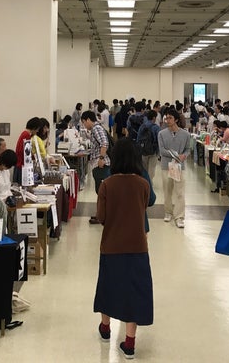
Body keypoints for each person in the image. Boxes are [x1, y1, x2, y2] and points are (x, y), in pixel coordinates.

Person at [93, 138, 153, 360]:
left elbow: (101, 217)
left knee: (108, 286)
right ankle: (129, 343)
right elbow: (144, 208)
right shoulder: (143, 184)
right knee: (134, 291)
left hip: (111, 244)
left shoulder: (107, 184)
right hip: (138, 246)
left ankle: (105, 328)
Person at [157, 109, 190, 229]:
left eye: (170, 118)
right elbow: (162, 151)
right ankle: (168, 212)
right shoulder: (161, 134)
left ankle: (179, 216)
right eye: (166, 118)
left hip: (180, 166)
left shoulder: (185, 134)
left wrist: (184, 156)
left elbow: (187, 149)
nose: (167, 120)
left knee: (180, 192)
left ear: (176, 119)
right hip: (166, 166)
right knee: (167, 190)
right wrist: (176, 155)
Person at [81, 110, 110, 225]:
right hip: (98, 163)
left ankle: (103, 216)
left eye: (84, 122)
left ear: (88, 120)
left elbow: (104, 143)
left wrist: (101, 158)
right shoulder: (95, 129)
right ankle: (100, 214)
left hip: (101, 164)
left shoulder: (97, 128)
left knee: (102, 191)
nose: (84, 125)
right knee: (101, 191)